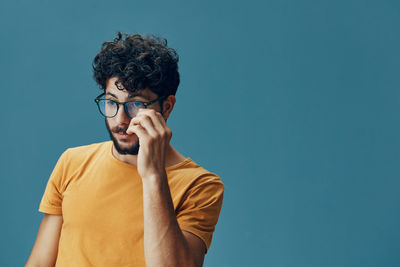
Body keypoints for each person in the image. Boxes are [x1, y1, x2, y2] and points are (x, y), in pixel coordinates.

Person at [25, 32, 224, 267]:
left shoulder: (200, 185)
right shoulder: (73, 162)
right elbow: (39, 262)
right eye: (112, 102)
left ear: (167, 107)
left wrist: (153, 176)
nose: (121, 119)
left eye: (136, 105)